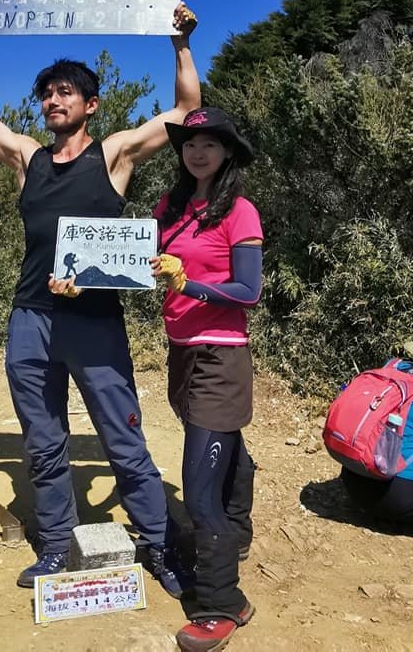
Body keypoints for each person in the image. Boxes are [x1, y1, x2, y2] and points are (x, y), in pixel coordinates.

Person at [0, 1, 200, 592]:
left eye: (66, 93)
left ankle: (160, 547)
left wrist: (181, 43)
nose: (53, 101)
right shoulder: (25, 158)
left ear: (89, 105)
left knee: (122, 436)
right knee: (43, 441)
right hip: (31, 319)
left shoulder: (113, 155)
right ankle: (57, 547)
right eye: (47, 94)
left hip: (93, 321)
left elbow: (188, 110)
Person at [150, 107, 263, 652]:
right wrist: (79, 279)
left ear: (227, 154)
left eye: (210, 144)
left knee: (197, 487)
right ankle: (235, 531)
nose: (197, 152)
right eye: (190, 143)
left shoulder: (239, 212)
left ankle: (221, 602)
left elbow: (249, 292)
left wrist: (190, 284)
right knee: (220, 445)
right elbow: (131, 263)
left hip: (221, 357)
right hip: (181, 355)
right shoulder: (168, 209)